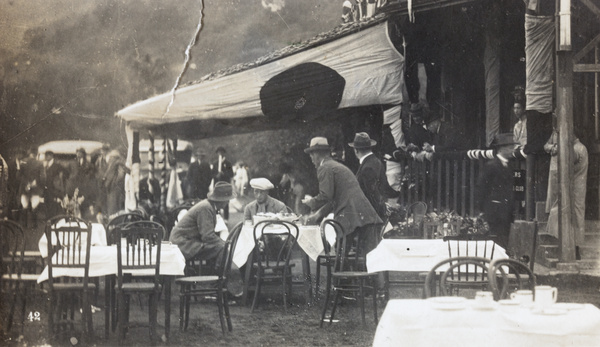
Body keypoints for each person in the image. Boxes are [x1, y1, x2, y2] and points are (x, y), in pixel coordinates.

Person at [302, 137, 383, 256]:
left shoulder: (325, 168)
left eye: (311, 155)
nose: (311, 159)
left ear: (317, 154)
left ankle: (341, 273)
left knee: (341, 254)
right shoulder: (335, 165)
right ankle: (349, 272)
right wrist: (317, 216)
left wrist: (311, 202)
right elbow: (333, 200)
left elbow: (326, 196)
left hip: (350, 215)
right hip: (361, 213)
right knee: (362, 256)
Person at [169, 181, 244, 295]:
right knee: (221, 248)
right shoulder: (206, 208)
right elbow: (207, 236)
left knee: (221, 248)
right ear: (221, 200)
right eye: (227, 199)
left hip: (188, 241)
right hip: (183, 243)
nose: (228, 202)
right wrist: (224, 244)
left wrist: (222, 244)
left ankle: (222, 283)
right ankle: (222, 284)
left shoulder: (209, 206)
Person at [545, 134, 588, 259]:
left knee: (567, 213)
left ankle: (573, 247)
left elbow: (568, 167)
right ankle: (575, 246)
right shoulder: (582, 147)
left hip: (574, 187)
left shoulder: (575, 149)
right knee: (576, 215)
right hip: (578, 186)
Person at [348, 132, 400, 219]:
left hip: (371, 215)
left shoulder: (367, 167)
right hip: (376, 212)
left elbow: (372, 195)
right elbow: (384, 187)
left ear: (356, 150)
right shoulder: (376, 161)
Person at [475, 143, 515, 250]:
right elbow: (482, 187)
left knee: (504, 239)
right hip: (494, 210)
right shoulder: (491, 165)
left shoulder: (508, 165)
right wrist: (482, 208)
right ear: (501, 150)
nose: (512, 150)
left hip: (505, 210)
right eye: (510, 147)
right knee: (495, 238)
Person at [41, 151, 69, 218]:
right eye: (45, 156)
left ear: (51, 156)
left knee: (53, 205)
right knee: (46, 204)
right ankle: (48, 220)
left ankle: (52, 220)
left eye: (47, 155)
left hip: (54, 189)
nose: (46, 157)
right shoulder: (45, 165)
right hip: (46, 189)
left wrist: (59, 181)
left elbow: (66, 173)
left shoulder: (57, 165)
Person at [103, 150, 128, 217]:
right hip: (113, 189)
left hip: (115, 189)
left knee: (114, 208)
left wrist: (114, 182)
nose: (111, 159)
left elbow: (121, 176)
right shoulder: (113, 164)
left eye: (112, 157)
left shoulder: (118, 164)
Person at [212, 146, 234, 220]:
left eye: (221, 152)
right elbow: (212, 174)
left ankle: (226, 218)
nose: (220, 154)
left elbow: (231, 174)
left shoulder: (228, 163)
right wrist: (216, 175)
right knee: (217, 201)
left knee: (225, 201)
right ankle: (217, 217)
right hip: (217, 185)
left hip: (225, 185)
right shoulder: (215, 163)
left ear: (224, 153)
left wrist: (223, 174)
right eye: (218, 152)